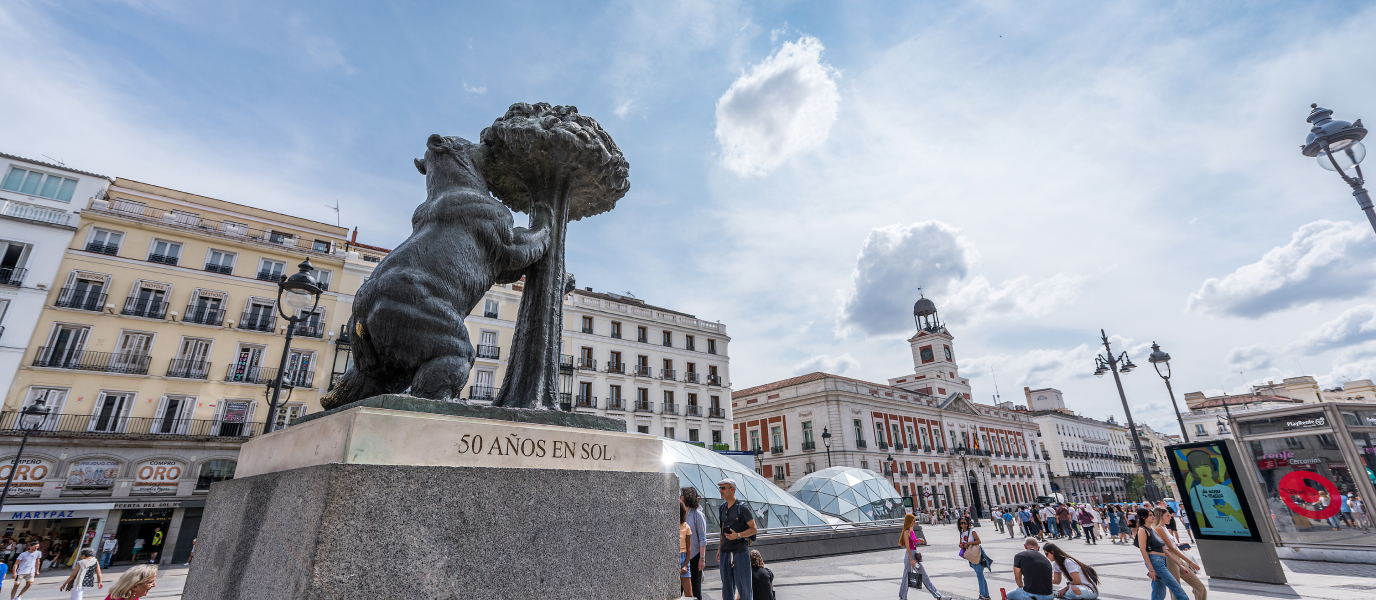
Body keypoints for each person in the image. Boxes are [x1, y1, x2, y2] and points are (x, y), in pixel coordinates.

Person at [716, 478, 757, 600]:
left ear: (732, 489)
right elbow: (722, 531)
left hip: (740, 551)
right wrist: (719, 549)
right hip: (725, 552)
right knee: (727, 588)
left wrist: (738, 535)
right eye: (720, 488)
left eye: (723, 488)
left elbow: (754, 529)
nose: (720, 491)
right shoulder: (722, 508)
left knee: (744, 586)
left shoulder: (742, 507)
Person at [1135, 507, 1189, 600]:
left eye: (1153, 515)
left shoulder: (1152, 530)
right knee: (1176, 588)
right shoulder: (1142, 530)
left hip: (1161, 561)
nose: (1153, 517)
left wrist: (1179, 565)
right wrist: (1151, 570)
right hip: (1155, 562)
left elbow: (1164, 549)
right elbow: (1143, 550)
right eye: (1150, 515)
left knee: (1159, 591)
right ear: (1144, 517)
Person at [1152, 508, 1205, 600]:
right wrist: (1189, 561)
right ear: (1160, 517)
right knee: (1176, 589)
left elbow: (1171, 545)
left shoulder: (1164, 527)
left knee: (1200, 587)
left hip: (1176, 556)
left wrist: (1179, 545)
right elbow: (1170, 548)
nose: (1171, 517)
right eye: (1167, 515)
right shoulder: (1159, 528)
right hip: (1170, 559)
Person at [899, 513, 943, 600]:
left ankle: (938, 596)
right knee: (906, 577)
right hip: (910, 556)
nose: (915, 522)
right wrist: (911, 559)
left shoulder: (911, 531)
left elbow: (912, 543)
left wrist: (918, 540)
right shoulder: (906, 531)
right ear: (909, 521)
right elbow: (908, 547)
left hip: (914, 554)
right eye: (913, 521)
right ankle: (903, 597)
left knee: (924, 575)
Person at [682, 487, 707, 599]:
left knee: (696, 590)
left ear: (687, 497)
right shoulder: (679, 514)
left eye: (682, 495)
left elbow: (702, 538)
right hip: (681, 557)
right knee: (678, 589)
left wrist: (702, 558)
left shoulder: (697, 515)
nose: (679, 497)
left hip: (695, 557)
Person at [957, 517, 991, 600]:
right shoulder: (961, 532)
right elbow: (961, 543)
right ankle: (986, 595)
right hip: (970, 555)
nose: (963, 525)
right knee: (981, 576)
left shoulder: (972, 531)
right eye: (961, 523)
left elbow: (978, 541)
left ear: (968, 523)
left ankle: (982, 595)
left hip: (976, 554)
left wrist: (968, 543)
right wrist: (961, 545)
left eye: (965, 523)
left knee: (979, 576)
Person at [679, 502, 692, 599]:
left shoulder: (686, 526)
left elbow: (689, 548)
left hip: (683, 558)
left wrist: (686, 565)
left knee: (689, 595)